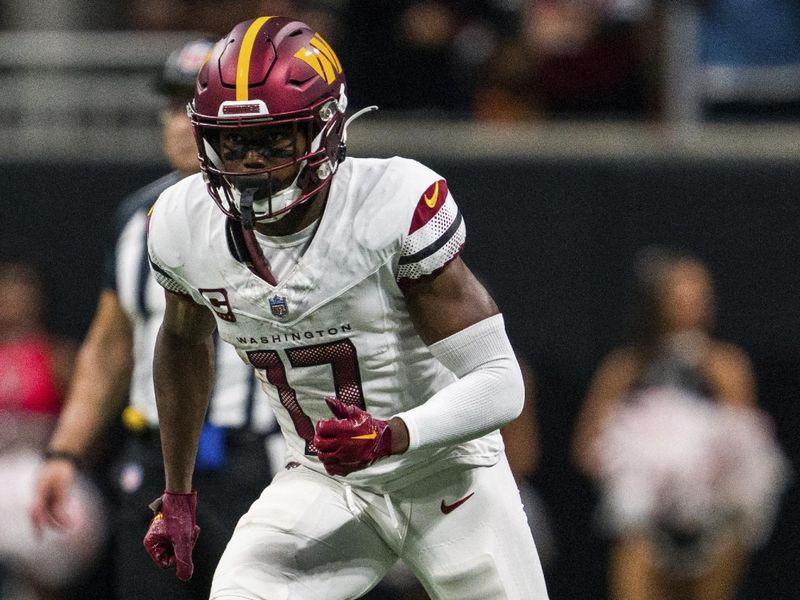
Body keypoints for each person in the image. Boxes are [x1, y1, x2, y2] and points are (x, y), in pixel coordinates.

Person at [143, 16, 549, 600]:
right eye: (233, 143)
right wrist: (177, 490)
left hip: (448, 473)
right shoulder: (181, 224)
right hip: (327, 482)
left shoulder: (391, 205)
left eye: (272, 140)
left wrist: (392, 434)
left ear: (323, 132)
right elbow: (182, 341)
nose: (249, 164)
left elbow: (500, 382)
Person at [30, 38, 282, 600]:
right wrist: (65, 452)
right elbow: (109, 345)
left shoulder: (283, 214)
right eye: (170, 107)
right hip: (152, 464)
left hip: (256, 461)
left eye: (192, 104)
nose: (178, 122)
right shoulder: (136, 218)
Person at [572, 246, 789, 600]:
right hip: (643, 527)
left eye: (697, 294)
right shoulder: (624, 367)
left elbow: (746, 447)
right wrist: (628, 466)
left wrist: (709, 369)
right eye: (678, 293)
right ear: (655, 300)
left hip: (713, 527)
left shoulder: (728, 364)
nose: (688, 303)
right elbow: (585, 446)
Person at [0, 253, 107, 600]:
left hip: (42, 475)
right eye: (6, 288)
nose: (13, 297)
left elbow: (91, 429)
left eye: (22, 288)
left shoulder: (58, 356)